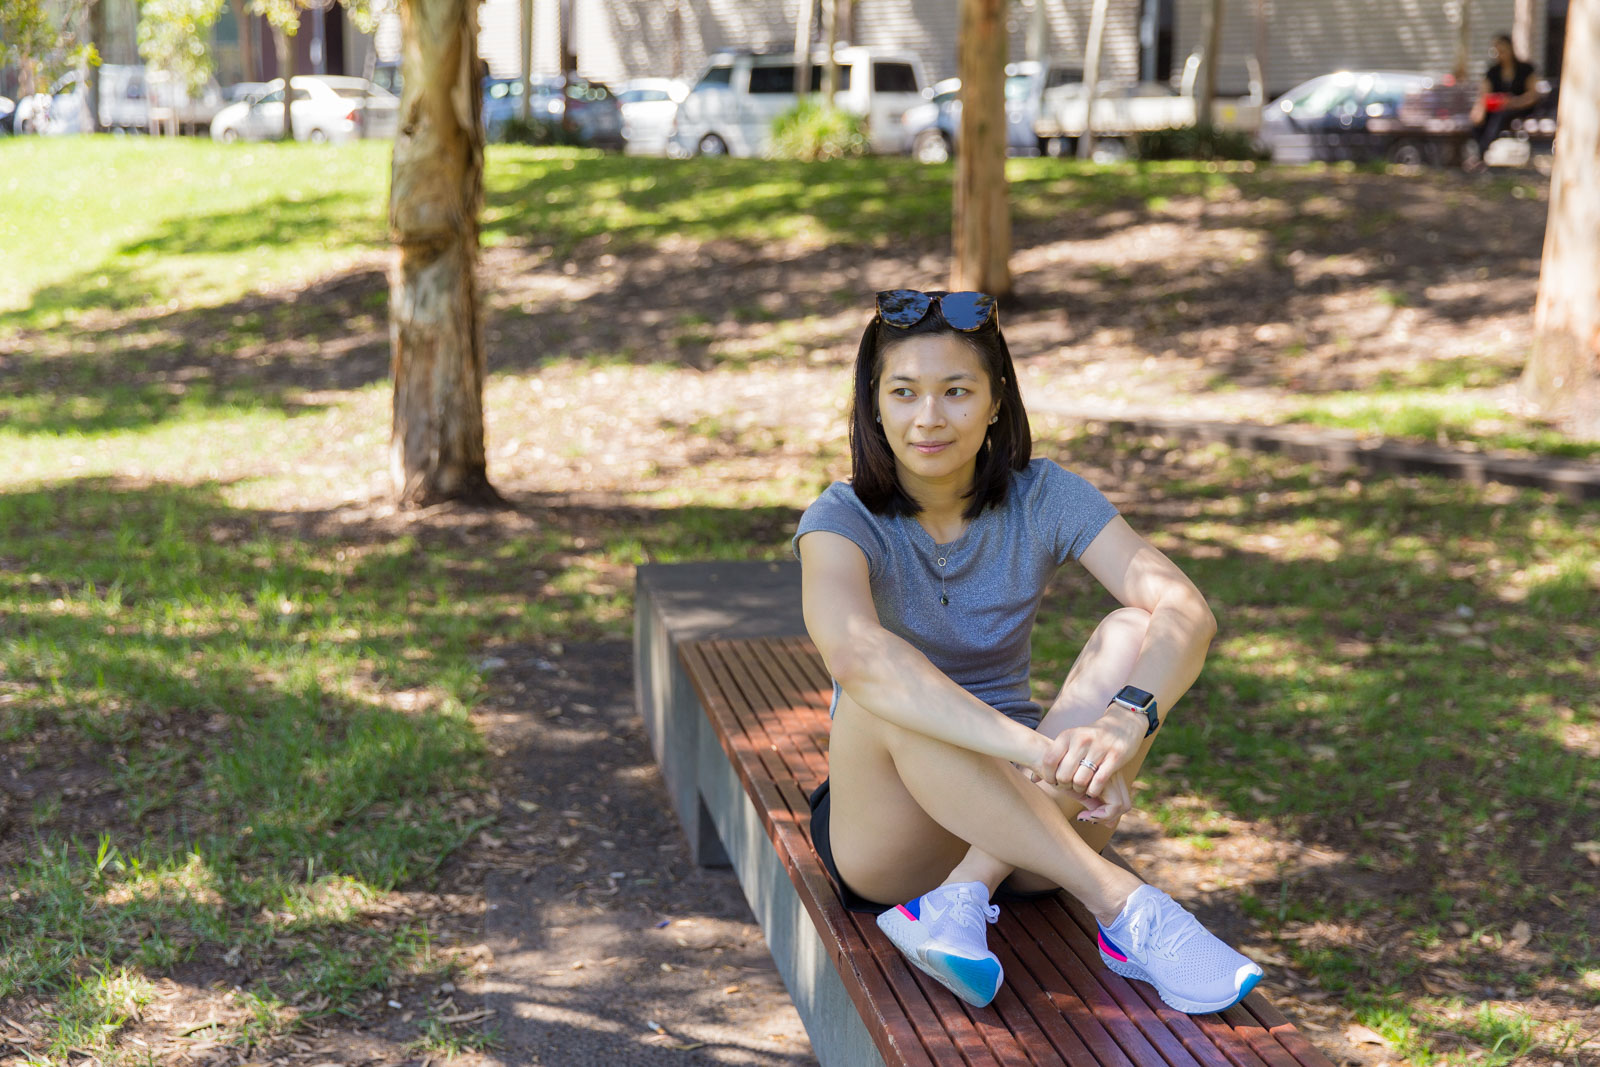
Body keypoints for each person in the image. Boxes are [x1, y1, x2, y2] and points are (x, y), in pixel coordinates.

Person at [793, 289, 1263, 1014]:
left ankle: (963, 895)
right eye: (905, 392)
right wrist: (1038, 753)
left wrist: (1123, 722)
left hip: (1039, 815)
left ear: (994, 400)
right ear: (874, 405)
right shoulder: (840, 518)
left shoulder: (1044, 496)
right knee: (874, 682)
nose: (929, 416)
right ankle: (1127, 908)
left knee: (1135, 627)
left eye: (956, 391)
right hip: (896, 840)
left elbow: (1185, 610)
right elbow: (854, 655)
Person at [1471, 34, 1541, 157]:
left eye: (1503, 51)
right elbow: (1484, 93)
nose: (1500, 55)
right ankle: (1480, 154)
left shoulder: (1525, 69)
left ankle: (1485, 151)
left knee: (1499, 117)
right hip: (1497, 107)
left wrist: (1514, 102)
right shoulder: (1493, 71)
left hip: (1521, 108)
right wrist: (1479, 110)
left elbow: (1533, 95)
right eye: (1497, 51)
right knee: (1480, 122)